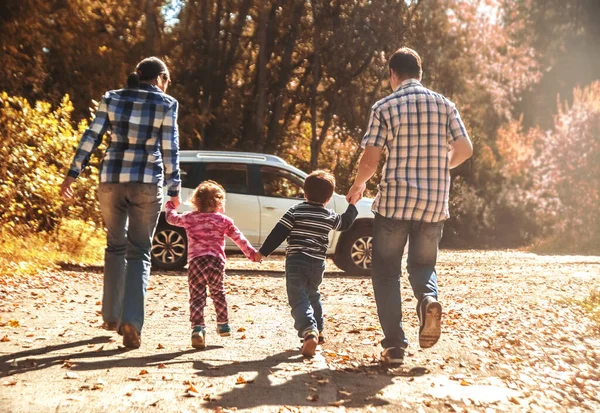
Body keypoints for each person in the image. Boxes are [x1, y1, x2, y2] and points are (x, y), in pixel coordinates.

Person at [346, 47, 473, 365]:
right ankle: (428, 299)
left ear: (393, 74)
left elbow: (371, 157)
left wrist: (359, 185)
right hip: (433, 204)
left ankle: (394, 346)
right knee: (422, 266)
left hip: (395, 204)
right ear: (420, 73)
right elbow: (465, 148)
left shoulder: (385, 105)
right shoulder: (445, 105)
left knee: (386, 271)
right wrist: (444, 165)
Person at [60, 57, 181, 349]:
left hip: (110, 179)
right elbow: (169, 148)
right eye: (167, 80)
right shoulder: (166, 104)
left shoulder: (111, 98)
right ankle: (131, 321)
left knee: (115, 245)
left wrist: (72, 174)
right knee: (139, 251)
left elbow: (91, 137)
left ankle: (112, 316)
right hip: (147, 182)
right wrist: (174, 187)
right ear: (160, 78)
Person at [255, 170, 358, 357]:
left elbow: (279, 233)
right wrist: (352, 205)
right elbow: (345, 223)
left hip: (296, 261)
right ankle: (318, 330)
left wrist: (262, 252)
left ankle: (308, 330)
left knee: (298, 298)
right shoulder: (329, 215)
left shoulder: (295, 211)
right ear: (328, 198)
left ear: (305, 193)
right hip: (317, 264)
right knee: (312, 294)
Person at [165, 180, 257, 349]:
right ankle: (223, 324)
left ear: (196, 201)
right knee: (218, 292)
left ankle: (198, 329)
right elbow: (239, 238)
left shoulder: (190, 218)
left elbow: (171, 219)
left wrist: (170, 205)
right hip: (216, 261)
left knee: (197, 296)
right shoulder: (223, 220)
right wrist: (251, 254)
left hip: (196, 262)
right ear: (219, 202)